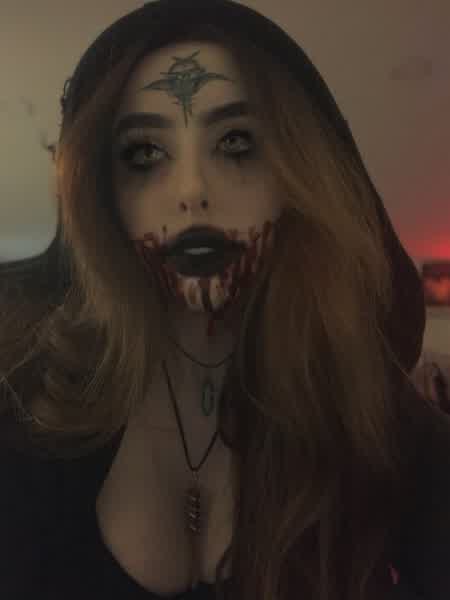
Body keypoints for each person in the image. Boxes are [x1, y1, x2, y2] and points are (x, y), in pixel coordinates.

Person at [1, 1, 449, 598]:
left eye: (237, 143)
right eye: (143, 153)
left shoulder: (386, 432)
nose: (191, 190)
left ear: (299, 175)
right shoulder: (23, 407)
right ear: (101, 192)